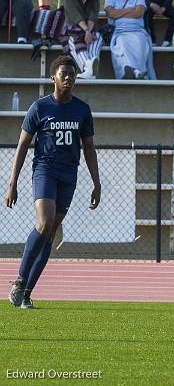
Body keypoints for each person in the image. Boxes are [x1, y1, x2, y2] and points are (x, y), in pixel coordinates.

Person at [5, 55, 101, 309]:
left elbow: (89, 148)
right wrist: (12, 182)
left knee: (50, 232)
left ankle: (26, 293)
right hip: (45, 171)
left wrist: (96, 182)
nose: (68, 78)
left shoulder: (82, 109)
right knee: (44, 222)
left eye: (72, 74)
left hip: (69, 175)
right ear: (53, 77)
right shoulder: (40, 108)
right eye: (63, 74)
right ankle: (18, 281)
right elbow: (23, 144)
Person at [104, 0, 156, 80]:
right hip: (120, 32)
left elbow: (139, 13)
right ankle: (134, 71)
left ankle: (136, 71)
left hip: (137, 31)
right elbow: (111, 14)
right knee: (122, 44)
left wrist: (118, 12)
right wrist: (129, 10)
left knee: (139, 42)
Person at [63, 0, 103, 79]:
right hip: (74, 30)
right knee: (72, 40)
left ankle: (91, 65)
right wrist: (86, 31)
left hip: (90, 29)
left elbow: (93, 16)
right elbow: (76, 17)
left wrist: (88, 31)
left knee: (97, 37)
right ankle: (88, 66)